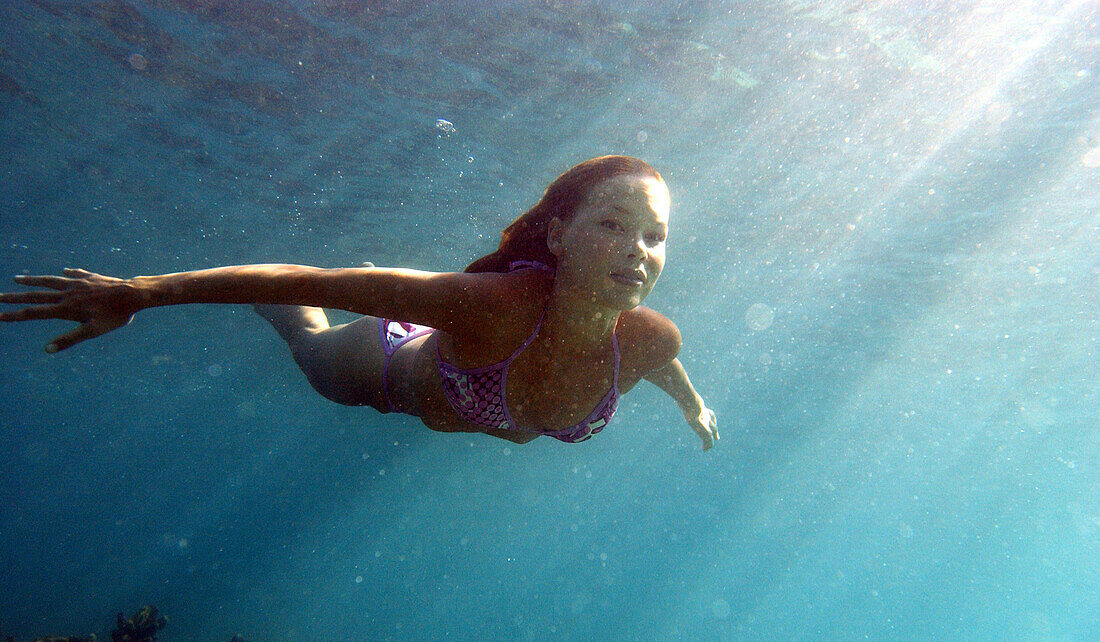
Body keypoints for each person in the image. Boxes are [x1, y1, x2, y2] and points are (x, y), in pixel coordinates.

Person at [1, 156, 718, 449]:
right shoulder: (491, 306)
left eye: (656, 235)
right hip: (386, 369)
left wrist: (694, 406)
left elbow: (660, 367)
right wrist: (140, 293)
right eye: (613, 226)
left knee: (398, 300)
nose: (640, 251)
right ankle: (370, 312)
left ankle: (395, 298)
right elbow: (308, 278)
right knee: (309, 340)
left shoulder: (655, 339)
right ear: (558, 235)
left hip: (446, 345)